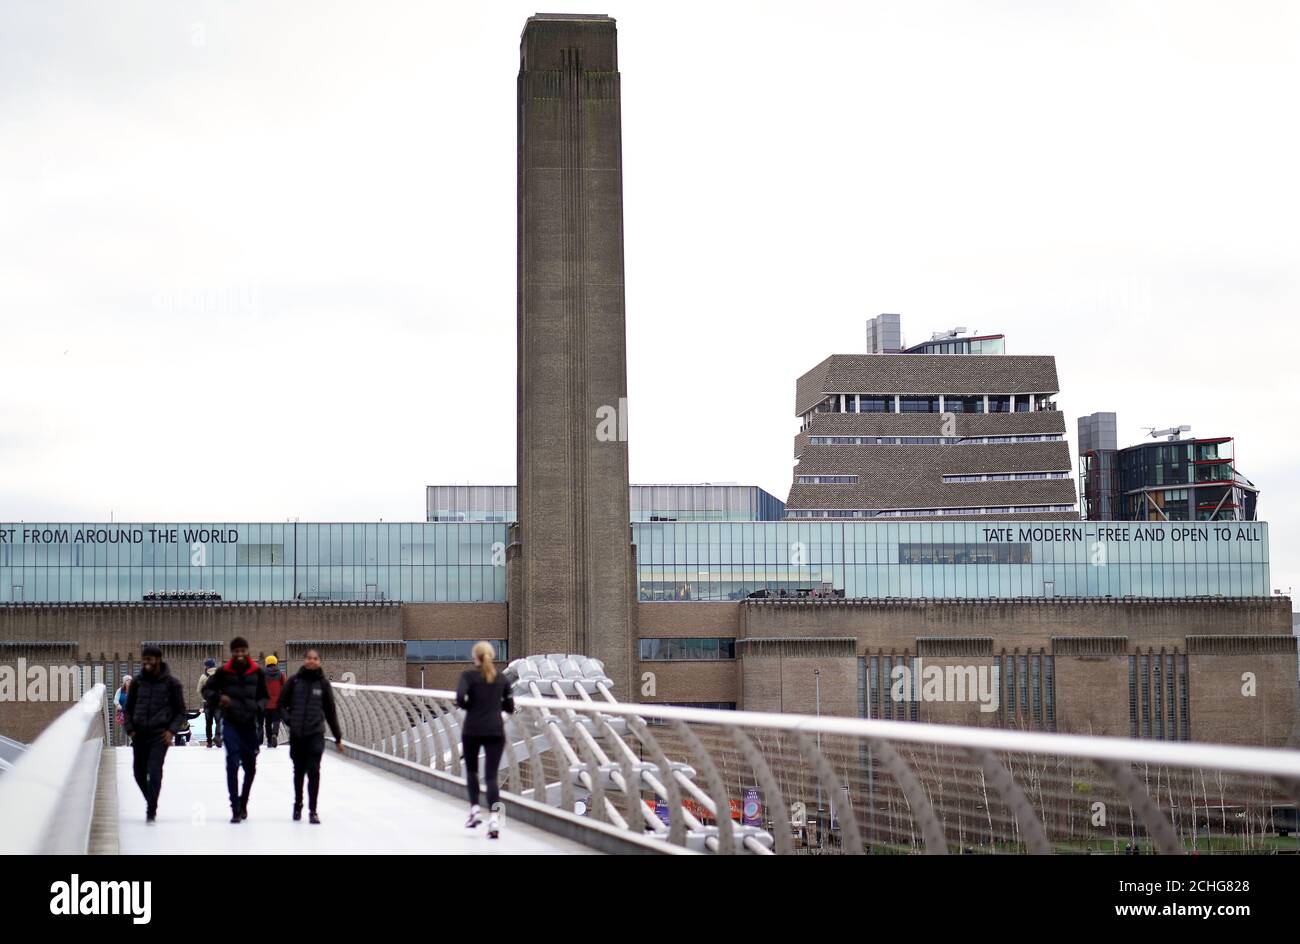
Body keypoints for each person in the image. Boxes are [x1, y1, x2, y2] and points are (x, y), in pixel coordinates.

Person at [203, 637, 268, 824]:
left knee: (250, 767)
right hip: (230, 723)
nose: (240, 654)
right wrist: (219, 698)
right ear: (232, 653)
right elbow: (207, 690)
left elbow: (264, 696)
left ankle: (243, 801)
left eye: (243, 650)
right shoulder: (223, 672)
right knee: (232, 763)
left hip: (249, 725)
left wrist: (258, 707)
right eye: (236, 651)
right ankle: (235, 808)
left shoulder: (257, 672)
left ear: (247, 651)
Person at [454, 641, 514, 839]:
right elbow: (510, 707)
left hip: (472, 729)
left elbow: (460, 699)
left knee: (472, 771)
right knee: (491, 776)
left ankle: (475, 811)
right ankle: (495, 819)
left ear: (475, 657)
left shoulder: (468, 676)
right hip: (495, 730)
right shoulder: (502, 679)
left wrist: (473, 705)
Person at [279, 649, 344, 824]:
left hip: (315, 733)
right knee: (299, 772)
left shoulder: (323, 684)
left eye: (315, 659)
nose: (312, 661)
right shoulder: (294, 681)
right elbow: (281, 705)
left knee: (314, 771)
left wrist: (338, 738)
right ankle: (298, 804)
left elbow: (331, 713)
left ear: (319, 661)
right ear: (304, 660)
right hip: (297, 734)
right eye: (309, 658)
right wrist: (289, 721)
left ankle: (313, 810)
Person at [123, 645, 186, 823]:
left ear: (158, 660)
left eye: (149, 659)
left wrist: (171, 731)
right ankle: (151, 800)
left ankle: (151, 808)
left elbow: (180, 711)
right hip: (140, 734)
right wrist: (130, 729)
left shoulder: (172, 684)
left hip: (160, 735)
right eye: (144, 660)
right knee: (138, 772)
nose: (146, 663)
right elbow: (128, 709)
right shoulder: (136, 682)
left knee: (154, 769)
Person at [261, 655, 286, 748]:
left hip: (266, 703)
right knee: (276, 720)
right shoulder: (280, 674)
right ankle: (274, 734)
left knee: (267, 722)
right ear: (276, 662)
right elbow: (285, 688)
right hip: (277, 702)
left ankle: (269, 741)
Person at [197, 658, 221, 748]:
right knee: (219, 721)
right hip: (218, 703)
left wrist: (205, 699)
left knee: (208, 723)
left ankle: (209, 742)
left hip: (207, 704)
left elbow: (199, 690)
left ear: (206, 666)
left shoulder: (203, 676)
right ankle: (218, 737)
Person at [113, 675, 132, 744]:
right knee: (123, 727)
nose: (129, 681)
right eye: (127, 680)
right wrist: (118, 705)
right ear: (124, 682)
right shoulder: (120, 690)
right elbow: (115, 700)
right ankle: (124, 743)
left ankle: (131, 742)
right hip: (122, 711)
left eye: (130, 680)